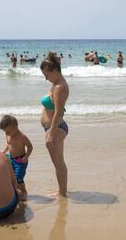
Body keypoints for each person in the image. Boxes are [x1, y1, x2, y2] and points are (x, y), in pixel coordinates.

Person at [40, 52, 69, 197]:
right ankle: (61, 190)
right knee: (58, 162)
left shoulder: (60, 87)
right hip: (53, 127)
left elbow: (58, 112)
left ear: (55, 71)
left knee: (58, 163)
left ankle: (63, 193)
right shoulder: (56, 84)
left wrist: (50, 134)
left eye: (47, 75)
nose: (46, 78)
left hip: (55, 128)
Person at [0, 115, 33, 201]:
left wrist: (26, 157)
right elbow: (9, 145)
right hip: (11, 158)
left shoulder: (22, 136)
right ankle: (16, 192)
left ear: (16, 126)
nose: (6, 133)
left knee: (18, 178)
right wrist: (3, 152)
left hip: (20, 160)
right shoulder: (8, 135)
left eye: (8, 131)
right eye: (5, 132)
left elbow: (30, 147)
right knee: (12, 177)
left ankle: (24, 192)